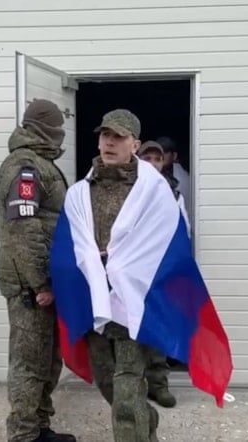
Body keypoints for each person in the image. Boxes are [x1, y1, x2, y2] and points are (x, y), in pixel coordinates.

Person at [0, 99, 76, 442]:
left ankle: (40, 427)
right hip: (30, 286)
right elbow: (23, 230)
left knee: (47, 358)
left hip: (46, 281)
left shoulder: (38, 162)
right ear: (49, 129)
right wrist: (40, 283)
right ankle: (24, 435)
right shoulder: (25, 167)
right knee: (30, 361)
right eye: (60, 126)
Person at [83, 109, 160, 441]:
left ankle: (136, 429)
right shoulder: (82, 191)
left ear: (135, 144)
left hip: (134, 303)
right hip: (95, 302)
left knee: (127, 390)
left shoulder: (151, 190)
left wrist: (122, 259)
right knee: (109, 383)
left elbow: (165, 242)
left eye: (118, 137)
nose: (109, 142)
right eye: (105, 135)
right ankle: (146, 418)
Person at [134, 141, 179, 409]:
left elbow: (181, 229)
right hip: (132, 271)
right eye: (146, 157)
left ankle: (158, 384)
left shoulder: (172, 192)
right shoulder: (127, 189)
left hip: (161, 271)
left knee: (160, 327)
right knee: (130, 329)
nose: (152, 163)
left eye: (157, 159)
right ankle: (132, 386)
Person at [156, 136, 192, 226]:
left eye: (165, 151)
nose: (162, 155)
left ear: (174, 156)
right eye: (159, 151)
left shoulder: (182, 177)